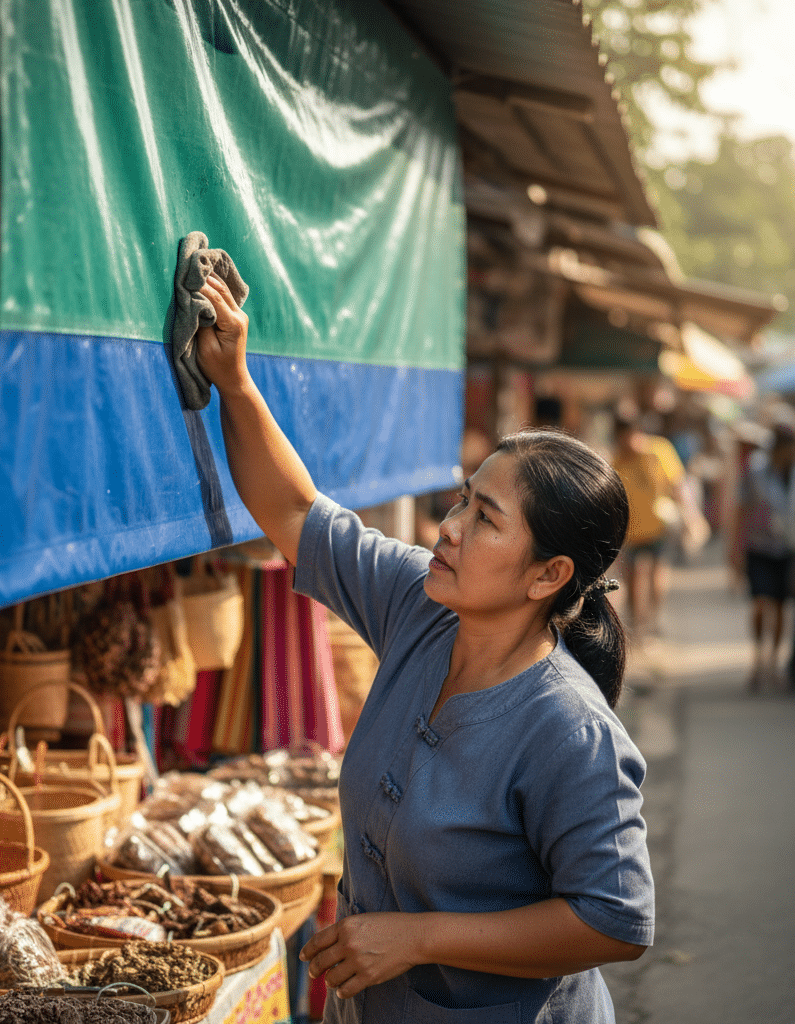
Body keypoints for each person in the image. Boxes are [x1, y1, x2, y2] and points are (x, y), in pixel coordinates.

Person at [195, 271, 653, 1023]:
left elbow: (615, 919)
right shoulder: (420, 605)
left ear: (549, 574)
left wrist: (419, 938)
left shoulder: (571, 731)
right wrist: (235, 379)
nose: (448, 527)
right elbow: (294, 511)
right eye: (462, 500)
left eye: (486, 519)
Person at [611, 410, 686, 639]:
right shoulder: (617, 459)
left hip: (659, 525)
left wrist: (689, 516)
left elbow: (678, 483)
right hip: (630, 531)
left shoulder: (658, 450)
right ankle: (636, 623)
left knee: (657, 573)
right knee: (632, 578)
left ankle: (653, 619)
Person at [737, 422, 795, 692]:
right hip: (759, 547)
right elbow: (741, 509)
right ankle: (758, 659)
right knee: (760, 602)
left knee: (781, 607)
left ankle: (773, 662)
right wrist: (734, 551)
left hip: (787, 550)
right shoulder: (756, 470)